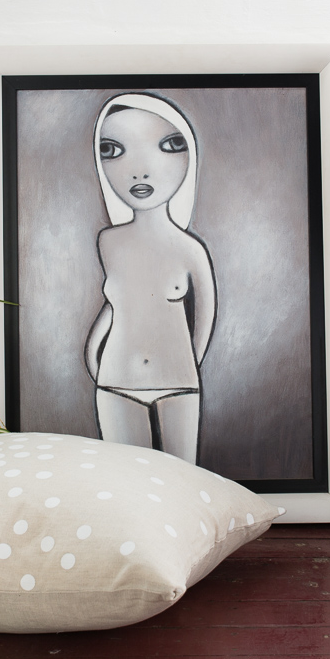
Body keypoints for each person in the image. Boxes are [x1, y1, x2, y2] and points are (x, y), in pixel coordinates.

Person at [83, 93, 216, 463]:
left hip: (178, 385)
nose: (139, 171)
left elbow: (205, 320)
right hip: (115, 383)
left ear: (190, 156)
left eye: (169, 145)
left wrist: (186, 366)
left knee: (183, 479)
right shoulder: (108, 242)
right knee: (128, 481)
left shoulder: (191, 250)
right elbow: (116, 304)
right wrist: (92, 357)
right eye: (111, 150)